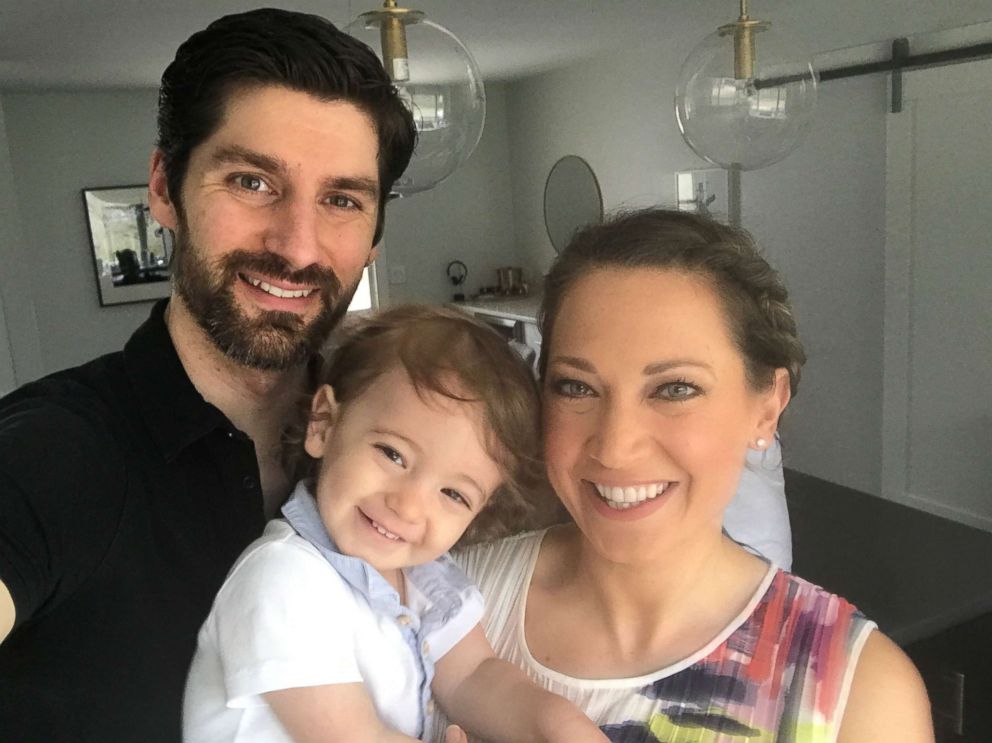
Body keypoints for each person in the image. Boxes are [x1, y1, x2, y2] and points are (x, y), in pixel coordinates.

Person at [0, 9, 416, 742]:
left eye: (342, 199)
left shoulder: (404, 440)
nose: (297, 245)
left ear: (376, 233)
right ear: (164, 186)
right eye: (253, 181)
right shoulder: (54, 454)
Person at [432, 209, 933, 741]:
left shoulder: (859, 699)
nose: (616, 447)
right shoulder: (437, 603)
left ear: (766, 409)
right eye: (576, 387)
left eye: (675, 389)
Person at [183, 305, 609, 743]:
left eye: (453, 494)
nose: (407, 506)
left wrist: (558, 726)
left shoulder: (423, 580)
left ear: (479, 510)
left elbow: (473, 676)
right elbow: (352, 736)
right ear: (324, 424)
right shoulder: (283, 579)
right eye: (393, 454)